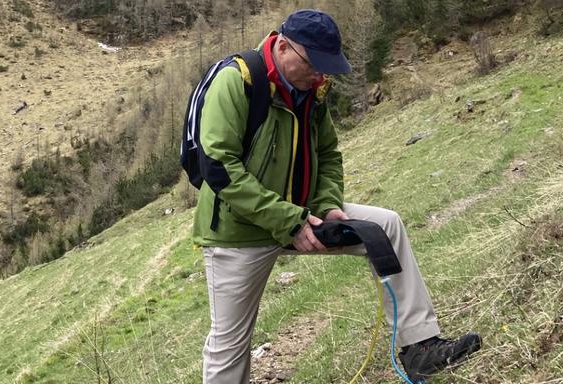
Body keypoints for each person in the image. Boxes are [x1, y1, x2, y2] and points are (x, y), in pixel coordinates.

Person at [187, 9, 482, 383]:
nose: (320, 76)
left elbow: (328, 154)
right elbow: (218, 166)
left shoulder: (313, 92)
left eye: (326, 67)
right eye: (313, 65)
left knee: (385, 226)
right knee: (229, 344)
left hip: (304, 213)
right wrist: (288, 221)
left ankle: (420, 347)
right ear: (281, 46)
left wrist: (327, 205)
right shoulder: (237, 81)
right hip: (237, 230)